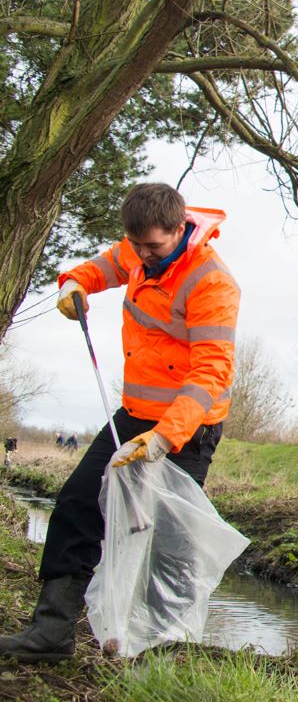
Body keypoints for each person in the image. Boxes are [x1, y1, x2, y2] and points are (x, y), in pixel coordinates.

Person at [0, 182, 239, 662]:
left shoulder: (213, 283)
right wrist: (74, 284)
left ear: (179, 231)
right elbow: (98, 268)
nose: (143, 257)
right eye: (136, 246)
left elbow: (212, 369)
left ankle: (154, 653)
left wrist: (163, 438)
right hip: (132, 416)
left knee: (167, 540)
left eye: (154, 247)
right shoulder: (135, 250)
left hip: (186, 430)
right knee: (76, 505)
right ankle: (51, 633)